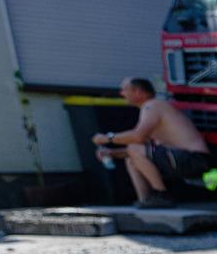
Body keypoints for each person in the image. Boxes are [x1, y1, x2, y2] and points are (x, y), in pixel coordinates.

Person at [90, 78, 210, 208]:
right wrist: (112, 153)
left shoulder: (153, 105)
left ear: (138, 92)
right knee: (131, 158)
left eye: (124, 90)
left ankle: (161, 195)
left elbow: (137, 137)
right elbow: (144, 151)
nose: (121, 93)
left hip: (194, 159)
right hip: (181, 158)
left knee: (134, 148)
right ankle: (146, 200)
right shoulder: (149, 108)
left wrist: (107, 138)